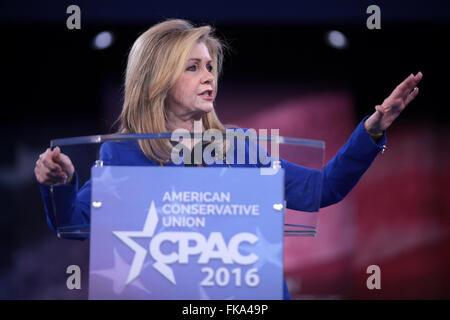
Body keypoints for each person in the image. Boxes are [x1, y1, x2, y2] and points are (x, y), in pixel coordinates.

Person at [34, 19, 423, 299]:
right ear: (156, 80)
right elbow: (75, 224)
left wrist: (371, 131)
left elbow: (323, 188)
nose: (208, 76)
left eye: (209, 67)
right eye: (192, 67)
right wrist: (59, 185)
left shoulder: (239, 147)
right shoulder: (121, 154)